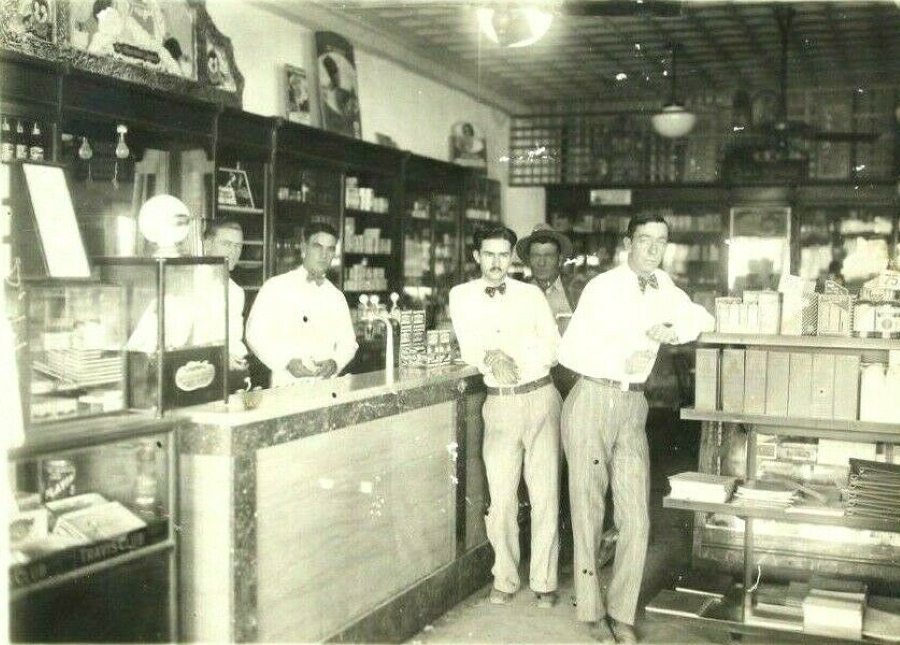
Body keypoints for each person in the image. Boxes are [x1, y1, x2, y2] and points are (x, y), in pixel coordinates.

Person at [558, 214, 714, 644]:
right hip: (592, 396)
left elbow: (703, 317)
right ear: (628, 243)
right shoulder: (602, 287)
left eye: (660, 242)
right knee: (588, 510)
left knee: (637, 517)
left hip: (632, 403)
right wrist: (625, 347)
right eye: (644, 240)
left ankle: (621, 610)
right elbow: (571, 350)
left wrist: (675, 327)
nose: (651, 249)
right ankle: (590, 612)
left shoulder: (663, 285)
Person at [449, 224, 562, 609]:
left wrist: (511, 357)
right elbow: (469, 344)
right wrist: (492, 357)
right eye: (489, 254)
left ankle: (544, 580)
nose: (496, 262)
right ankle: (505, 577)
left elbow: (552, 346)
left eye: (504, 254)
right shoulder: (461, 296)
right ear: (476, 256)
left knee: (545, 493)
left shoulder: (531, 295)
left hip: (541, 397)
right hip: (499, 403)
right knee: (500, 498)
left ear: (513, 256)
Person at [245, 222, 357, 387]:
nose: (324, 255)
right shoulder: (275, 287)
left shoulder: (336, 296)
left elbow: (349, 342)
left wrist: (335, 363)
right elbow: (255, 334)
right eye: (318, 247)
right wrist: (286, 361)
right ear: (304, 248)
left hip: (325, 387)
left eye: (330, 249)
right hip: (285, 385)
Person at [202, 221, 249, 391]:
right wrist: (220, 357)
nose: (234, 252)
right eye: (226, 244)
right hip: (197, 377)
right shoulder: (187, 284)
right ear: (207, 245)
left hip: (226, 379)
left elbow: (234, 340)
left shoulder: (236, 292)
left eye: (238, 246)